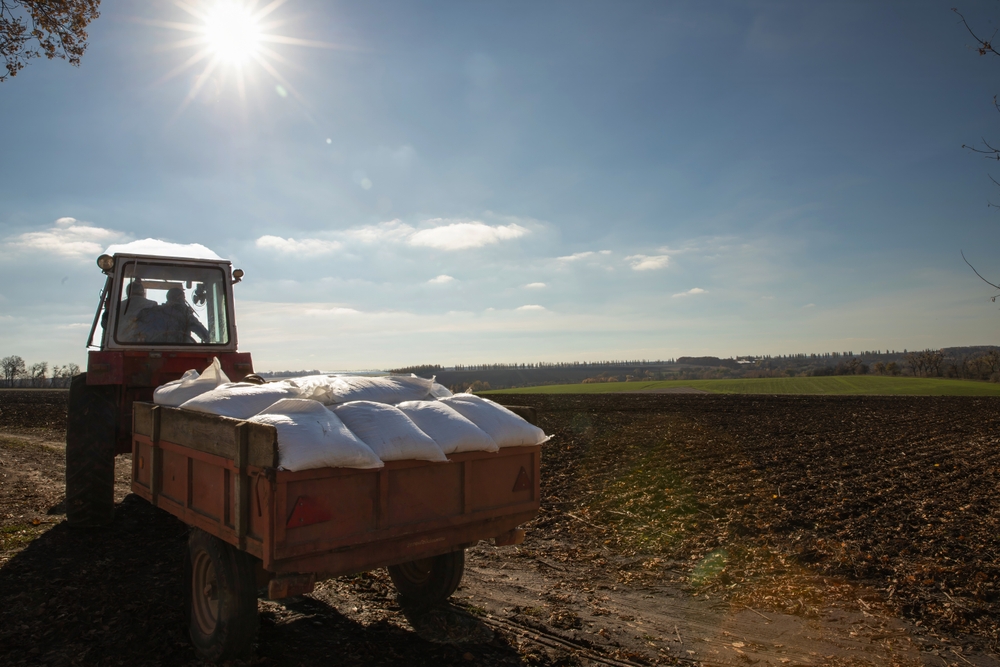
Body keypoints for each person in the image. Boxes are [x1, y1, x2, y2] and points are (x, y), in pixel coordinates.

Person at [122, 287, 210, 344]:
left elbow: (138, 332)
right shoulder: (186, 314)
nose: (184, 300)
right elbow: (204, 334)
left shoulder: (154, 312)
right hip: (181, 355)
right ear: (180, 298)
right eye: (184, 297)